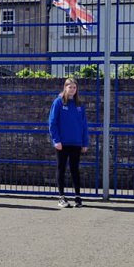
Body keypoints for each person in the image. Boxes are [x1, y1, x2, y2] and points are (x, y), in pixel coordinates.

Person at [48, 77, 89, 208]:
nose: (72, 89)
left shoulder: (79, 105)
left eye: (74, 87)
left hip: (76, 143)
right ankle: (61, 197)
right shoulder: (58, 102)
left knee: (75, 169)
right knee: (61, 169)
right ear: (65, 88)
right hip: (62, 143)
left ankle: (78, 197)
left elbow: (84, 125)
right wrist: (56, 140)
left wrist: (85, 142)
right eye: (69, 87)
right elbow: (52, 123)